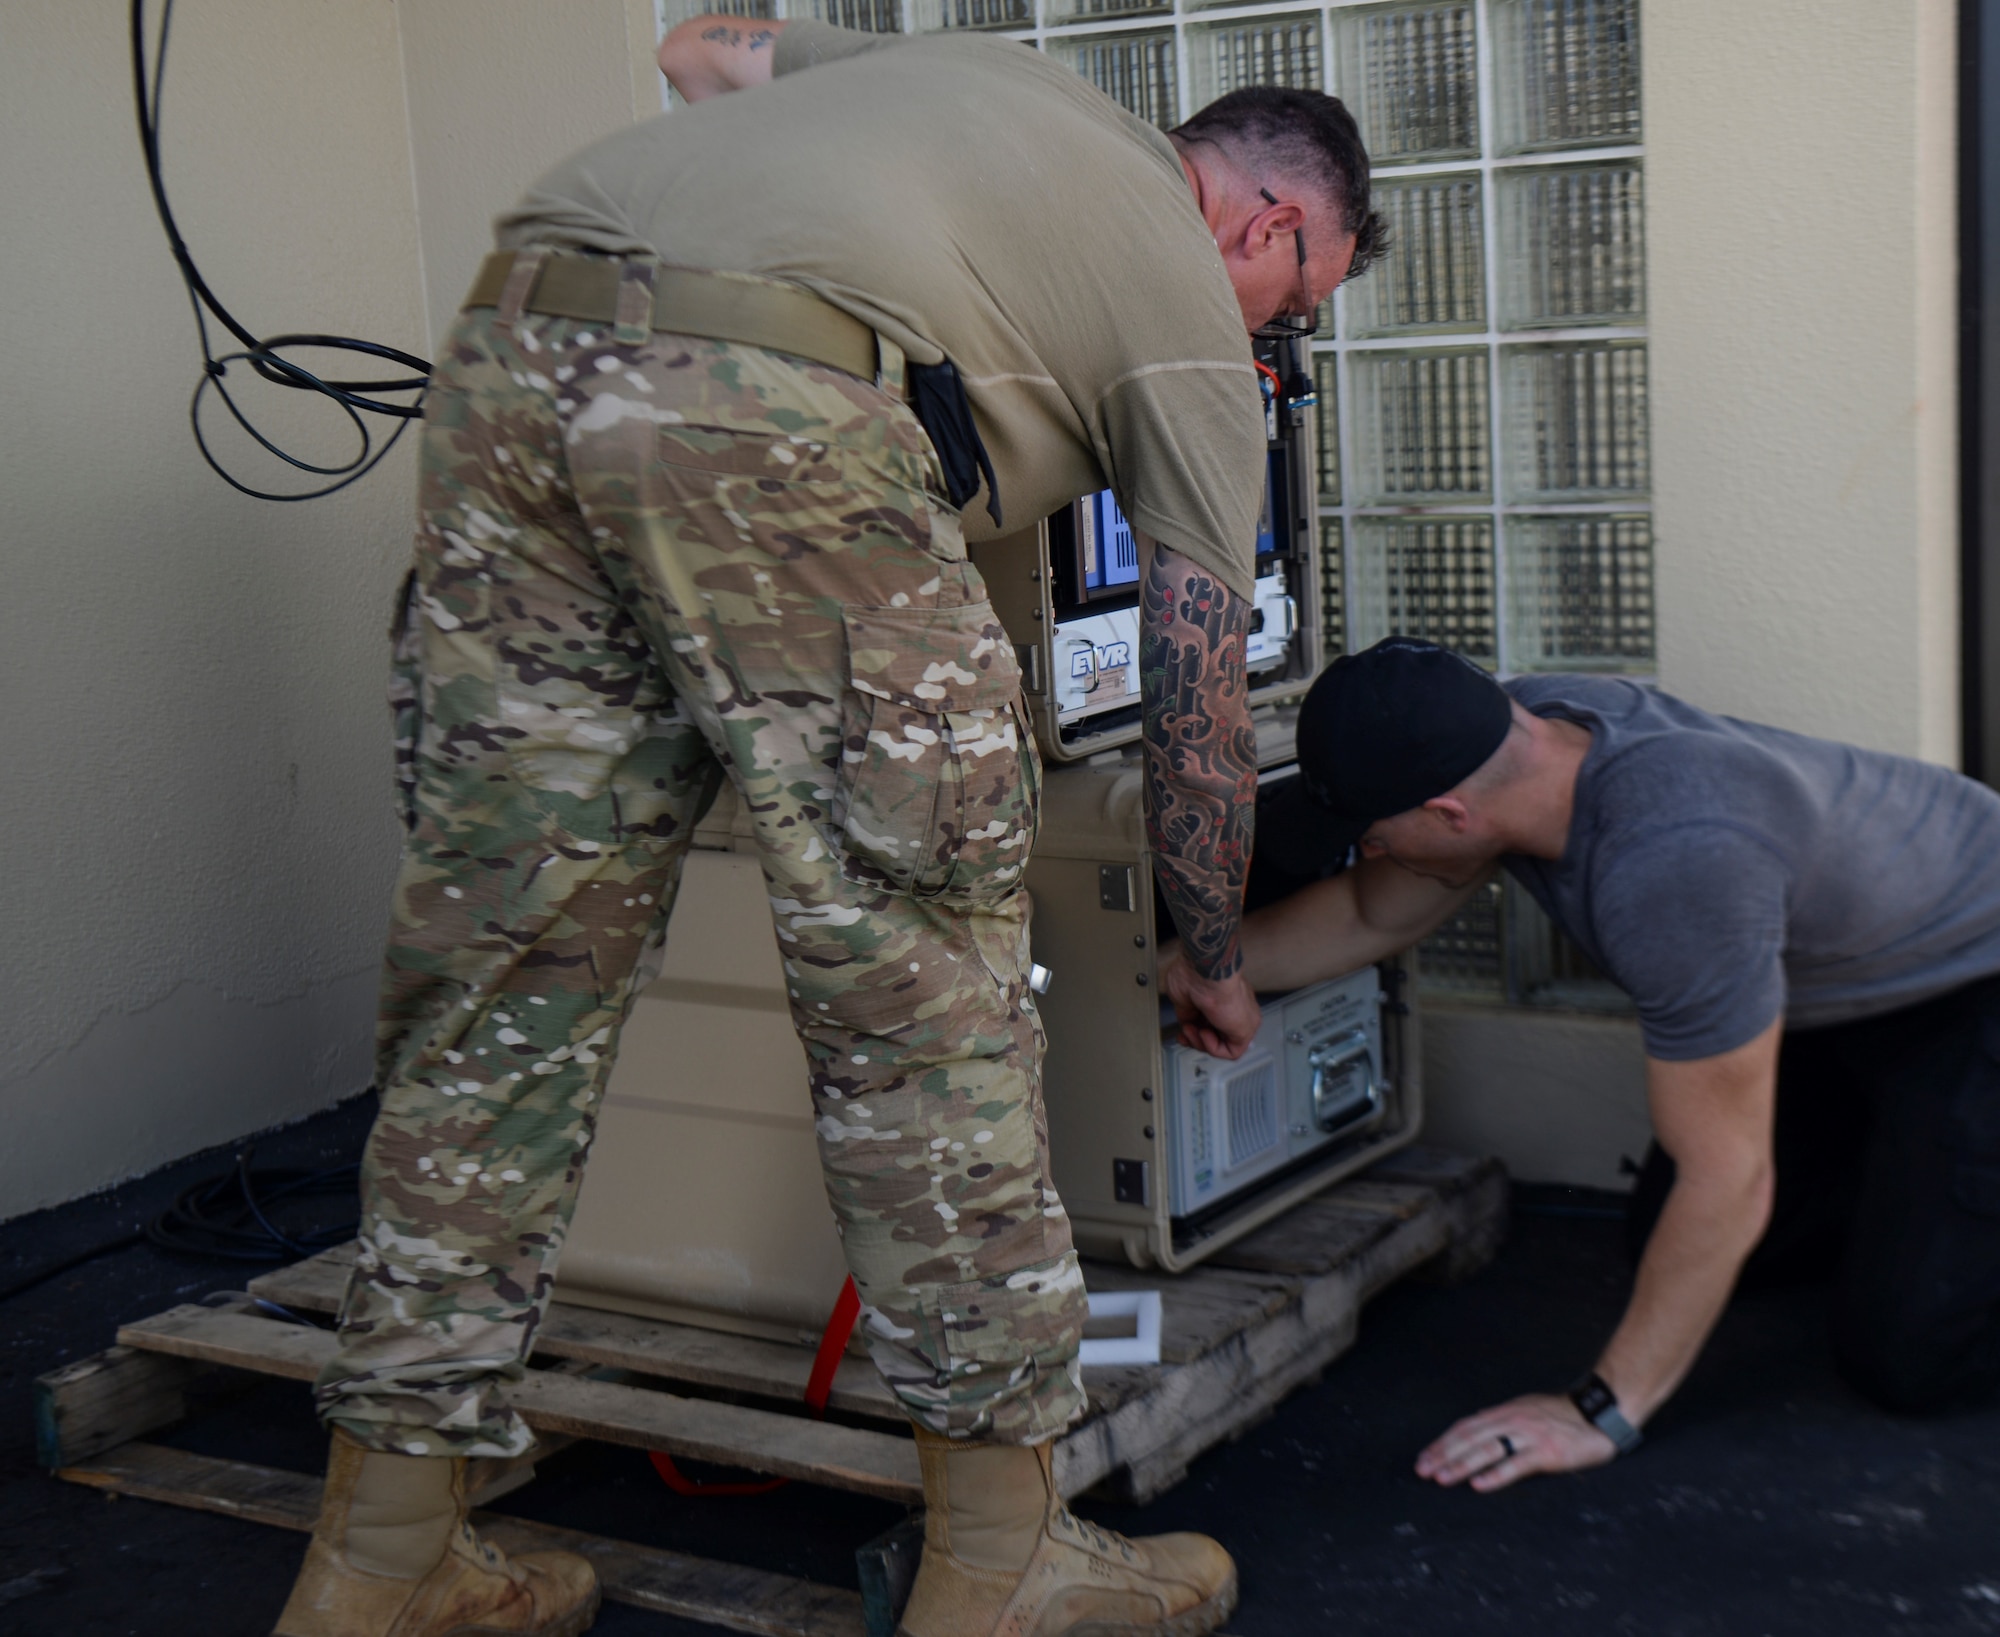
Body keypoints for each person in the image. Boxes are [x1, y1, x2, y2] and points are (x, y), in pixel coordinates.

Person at [273, 17, 1385, 1637]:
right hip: (781, 399)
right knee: (929, 1011)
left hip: (517, 353)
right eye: (1299, 307)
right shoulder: (1179, 289)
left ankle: (380, 1550)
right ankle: (1001, 1561)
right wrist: (1207, 943)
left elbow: (706, 49)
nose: (1278, 343)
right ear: (1269, 224)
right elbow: (1197, 692)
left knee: (498, 988)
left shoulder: (991, 83)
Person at [1170, 636, 2000, 1497]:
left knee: (1910, 1353)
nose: (1370, 852)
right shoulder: (1518, 730)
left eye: (1374, 836)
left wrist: (1599, 1408)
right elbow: (1369, 914)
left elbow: (1727, 1178)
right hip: (1852, 986)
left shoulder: (1669, 869)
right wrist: (1200, 966)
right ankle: (1926, 1173)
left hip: (1976, 978)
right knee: (1690, 1249)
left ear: (1451, 815)